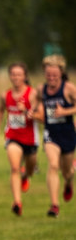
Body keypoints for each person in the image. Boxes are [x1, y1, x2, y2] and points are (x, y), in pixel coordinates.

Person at [0, 62, 39, 217]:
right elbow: (0, 110)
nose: (16, 77)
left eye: (19, 74)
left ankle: (26, 176)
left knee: (30, 169)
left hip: (30, 138)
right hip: (13, 136)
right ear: (10, 76)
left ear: (25, 76)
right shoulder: (5, 95)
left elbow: (41, 114)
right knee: (14, 168)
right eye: (13, 74)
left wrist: (27, 111)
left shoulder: (32, 94)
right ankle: (17, 203)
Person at [34, 54, 76, 217]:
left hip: (67, 134)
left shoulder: (69, 88)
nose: (51, 78)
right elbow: (37, 104)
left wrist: (64, 112)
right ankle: (54, 205)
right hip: (51, 133)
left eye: (55, 75)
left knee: (67, 172)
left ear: (61, 73)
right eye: (48, 75)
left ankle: (69, 182)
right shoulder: (41, 89)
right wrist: (34, 112)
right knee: (53, 165)